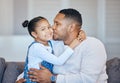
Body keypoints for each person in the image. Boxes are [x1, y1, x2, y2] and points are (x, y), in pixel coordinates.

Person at [17, 8, 108, 83]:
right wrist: (20, 79)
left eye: (57, 24)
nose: (52, 27)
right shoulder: (54, 44)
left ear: (71, 27)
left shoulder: (93, 45)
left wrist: (53, 78)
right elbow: (35, 62)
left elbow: (88, 79)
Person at [18, 16, 85, 83]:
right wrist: (73, 44)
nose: (48, 31)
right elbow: (59, 61)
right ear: (35, 34)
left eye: (49, 27)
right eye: (43, 29)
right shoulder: (36, 47)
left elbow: (65, 39)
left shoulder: (50, 43)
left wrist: (79, 33)